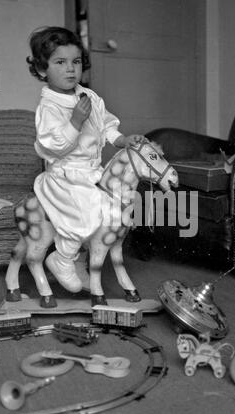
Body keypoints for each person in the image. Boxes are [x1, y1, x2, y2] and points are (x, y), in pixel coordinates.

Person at [27, 26, 146, 293]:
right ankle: (61, 258)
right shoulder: (50, 106)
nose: (71, 69)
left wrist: (121, 140)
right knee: (85, 214)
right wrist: (75, 122)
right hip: (63, 176)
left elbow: (105, 125)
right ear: (43, 69)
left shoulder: (89, 96)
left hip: (91, 172)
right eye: (60, 62)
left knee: (111, 210)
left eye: (76, 61)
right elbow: (53, 146)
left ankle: (78, 256)